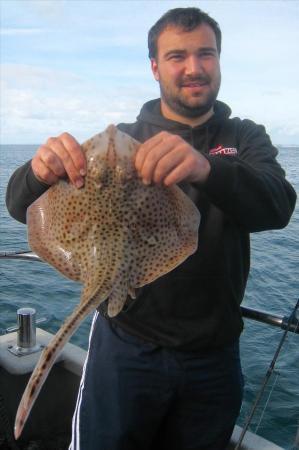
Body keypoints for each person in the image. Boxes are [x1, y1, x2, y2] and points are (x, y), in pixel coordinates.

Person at [6, 7, 296, 450]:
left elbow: (277, 206)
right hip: (127, 348)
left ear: (219, 60)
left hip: (213, 355)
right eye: (177, 56)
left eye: (206, 54)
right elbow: (17, 204)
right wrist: (39, 171)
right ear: (155, 67)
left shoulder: (245, 137)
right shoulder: (124, 138)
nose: (194, 67)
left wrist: (208, 168)